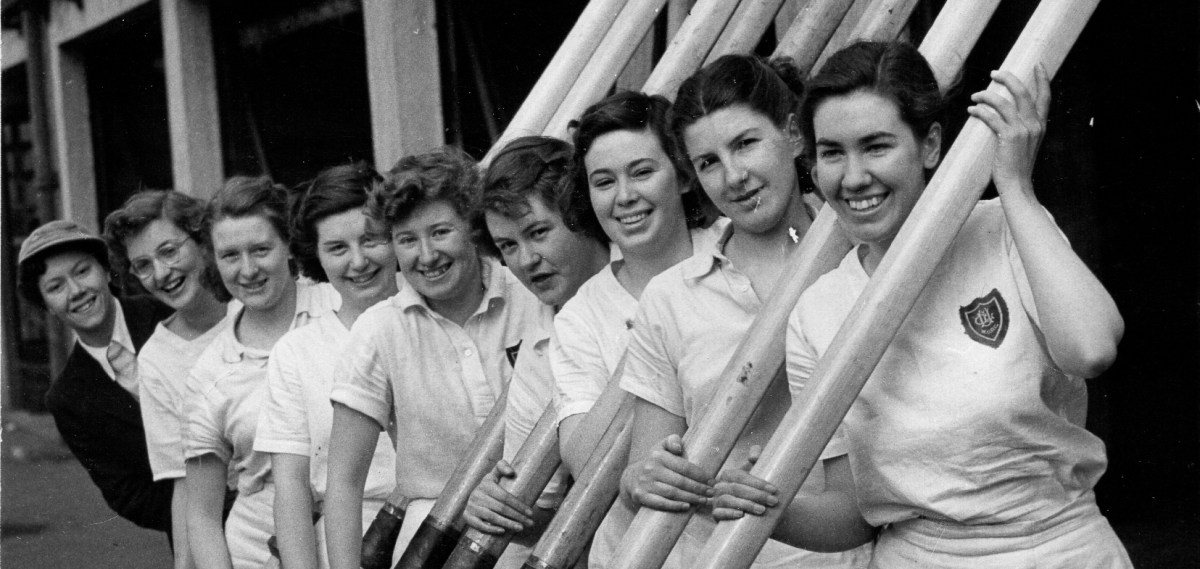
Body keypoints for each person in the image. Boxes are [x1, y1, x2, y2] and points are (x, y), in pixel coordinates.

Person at [768, 40, 1129, 567]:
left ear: (931, 145)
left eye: (876, 146)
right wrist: (757, 509)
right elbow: (853, 513)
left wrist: (1015, 188)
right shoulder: (817, 312)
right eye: (832, 153)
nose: (853, 177)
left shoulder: (1005, 228)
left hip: (1058, 549)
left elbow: (1092, 349)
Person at [617, 54, 872, 567]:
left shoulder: (867, 255)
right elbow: (643, 467)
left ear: (794, 136)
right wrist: (641, 479)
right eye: (708, 162)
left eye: (746, 143)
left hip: (849, 556)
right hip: (717, 557)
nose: (733, 176)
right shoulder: (672, 297)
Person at [324, 148, 546, 569]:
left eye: (440, 232)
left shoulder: (531, 295)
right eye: (407, 240)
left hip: (539, 531)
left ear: (472, 228)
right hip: (434, 541)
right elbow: (344, 484)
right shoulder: (379, 330)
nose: (425, 256)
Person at [557, 91, 721, 568]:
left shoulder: (733, 249)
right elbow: (586, 461)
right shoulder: (581, 316)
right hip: (646, 554)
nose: (624, 196)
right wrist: (658, 325)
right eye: (603, 181)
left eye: (642, 172)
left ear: (684, 176)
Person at [459, 135, 612, 566]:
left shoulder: (650, 280)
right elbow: (547, 511)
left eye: (538, 232)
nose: (526, 260)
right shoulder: (539, 347)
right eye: (508, 246)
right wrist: (496, 508)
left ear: (580, 216)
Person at [184, 176, 340, 569]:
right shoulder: (209, 374)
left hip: (360, 529)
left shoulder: (339, 306)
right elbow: (202, 514)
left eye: (261, 249)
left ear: (288, 244)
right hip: (258, 549)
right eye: (230, 255)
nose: (248, 269)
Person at [254, 164, 400, 569]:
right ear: (314, 256)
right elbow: (292, 488)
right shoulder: (297, 352)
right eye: (337, 248)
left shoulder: (430, 321)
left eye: (371, 240)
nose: (358, 262)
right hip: (345, 541)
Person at [104, 190, 239, 569]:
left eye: (169, 251)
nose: (161, 274)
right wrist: (183, 563)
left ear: (201, 239)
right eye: (143, 265)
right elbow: (184, 480)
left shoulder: (252, 302)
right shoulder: (157, 361)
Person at [18, 220, 174, 537]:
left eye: (82, 271)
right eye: (55, 287)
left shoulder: (167, 314)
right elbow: (128, 495)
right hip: (196, 533)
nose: (76, 292)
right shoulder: (66, 400)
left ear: (105, 270)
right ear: (45, 305)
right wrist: (207, 508)